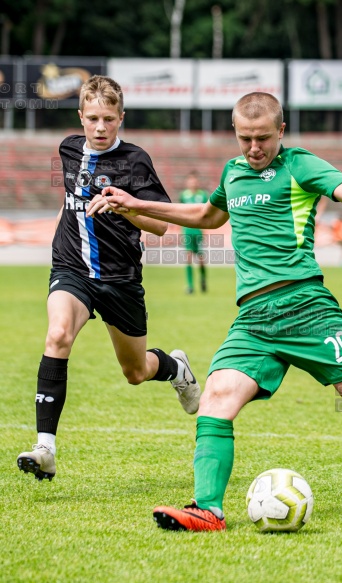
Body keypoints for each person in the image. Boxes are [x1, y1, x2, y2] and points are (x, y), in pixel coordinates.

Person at [88, 92, 342, 532]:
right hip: (254, 320)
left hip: (307, 310)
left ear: (280, 131)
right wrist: (136, 204)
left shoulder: (300, 165)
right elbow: (206, 215)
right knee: (217, 397)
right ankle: (208, 510)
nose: (254, 148)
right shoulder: (234, 173)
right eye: (245, 139)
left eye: (262, 138)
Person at [17, 75, 201, 483]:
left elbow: (159, 227)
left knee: (135, 372)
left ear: (122, 118)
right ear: (80, 116)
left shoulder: (136, 161)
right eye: (93, 118)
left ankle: (175, 368)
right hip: (71, 270)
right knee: (58, 335)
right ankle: (45, 446)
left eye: (109, 119)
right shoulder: (67, 150)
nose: (100, 128)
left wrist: (125, 208)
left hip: (120, 279)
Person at [179, 170, 209, 294]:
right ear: (187, 182)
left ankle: (203, 280)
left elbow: (207, 214)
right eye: (190, 181)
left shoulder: (203, 195)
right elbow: (179, 212)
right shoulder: (183, 196)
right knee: (188, 257)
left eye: (195, 181)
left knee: (201, 259)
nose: (193, 183)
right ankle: (190, 286)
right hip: (187, 231)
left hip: (198, 231)